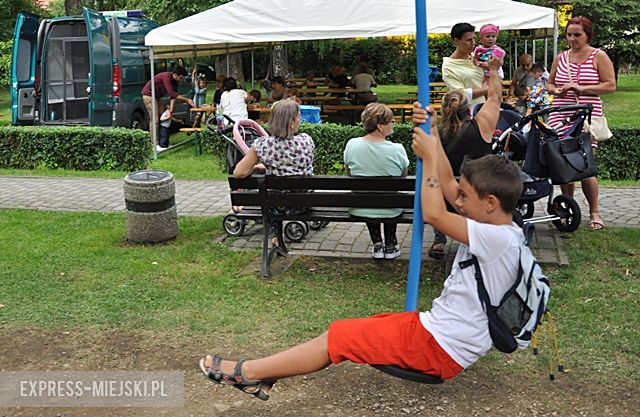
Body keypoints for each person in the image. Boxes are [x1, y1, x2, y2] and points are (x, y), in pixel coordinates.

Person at [199, 110, 524, 399]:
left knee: (338, 337)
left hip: (438, 347)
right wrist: (434, 136)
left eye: (467, 197)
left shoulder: (495, 239)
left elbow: (436, 213)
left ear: (491, 202)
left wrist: (426, 159)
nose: (460, 201)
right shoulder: (501, 227)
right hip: (435, 332)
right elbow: (451, 189)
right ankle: (263, 376)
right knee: (360, 328)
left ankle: (249, 373)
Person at [429, 55, 503, 259]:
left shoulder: (434, 133)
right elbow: (495, 98)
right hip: (479, 198)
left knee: (438, 181)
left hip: (445, 202)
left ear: (443, 111)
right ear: (468, 111)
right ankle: (478, 236)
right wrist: (494, 71)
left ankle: (439, 239)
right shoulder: (482, 126)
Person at [546, 16, 616, 230]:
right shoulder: (561, 57)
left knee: (585, 164)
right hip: (560, 114)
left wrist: (582, 89)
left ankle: (594, 211)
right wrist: (556, 90)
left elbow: (610, 85)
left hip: (586, 115)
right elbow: (549, 83)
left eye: (578, 34)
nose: (573, 39)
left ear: (588, 35)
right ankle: (568, 207)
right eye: (569, 35)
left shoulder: (598, 56)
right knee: (563, 164)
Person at [343, 103, 409, 260]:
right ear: (380, 126)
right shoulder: (397, 149)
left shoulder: (352, 144)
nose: (394, 124)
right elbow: (403, 177)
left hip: (361, 207)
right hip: (391, 208)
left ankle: (377, 243)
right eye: (391, 121)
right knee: (389, 196)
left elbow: (349, 174)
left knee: (369, 196)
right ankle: (391, 245)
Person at [233, 99, 314, 178]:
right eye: (299, 117)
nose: (299, 120)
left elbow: (239, 173)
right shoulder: (306, 141)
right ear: (291, 122)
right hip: (304, 191)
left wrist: (256, 167)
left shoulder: (262, 145)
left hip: (273, 191)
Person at [141, 67, 194, 144]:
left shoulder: (175, 82)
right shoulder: (166, 77)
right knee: (154, 120)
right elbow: (171, 93)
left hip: (157, 97)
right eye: (180, 78)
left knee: (163, 117)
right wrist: (187, 100)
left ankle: (162, 141)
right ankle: (154, 143)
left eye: (182, 79)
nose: (181, 80)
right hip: (149, 95)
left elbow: (173, 97)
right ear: (175, 75)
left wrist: (171, 110)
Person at [442, 23, 488, 106]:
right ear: (456, 41)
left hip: (488, 108)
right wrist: (488, 89)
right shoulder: (449, 66)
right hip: (469, 113)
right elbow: (460, 94)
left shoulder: (477, 57)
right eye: (468, 40)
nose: (473, 43)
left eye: (474, 38)